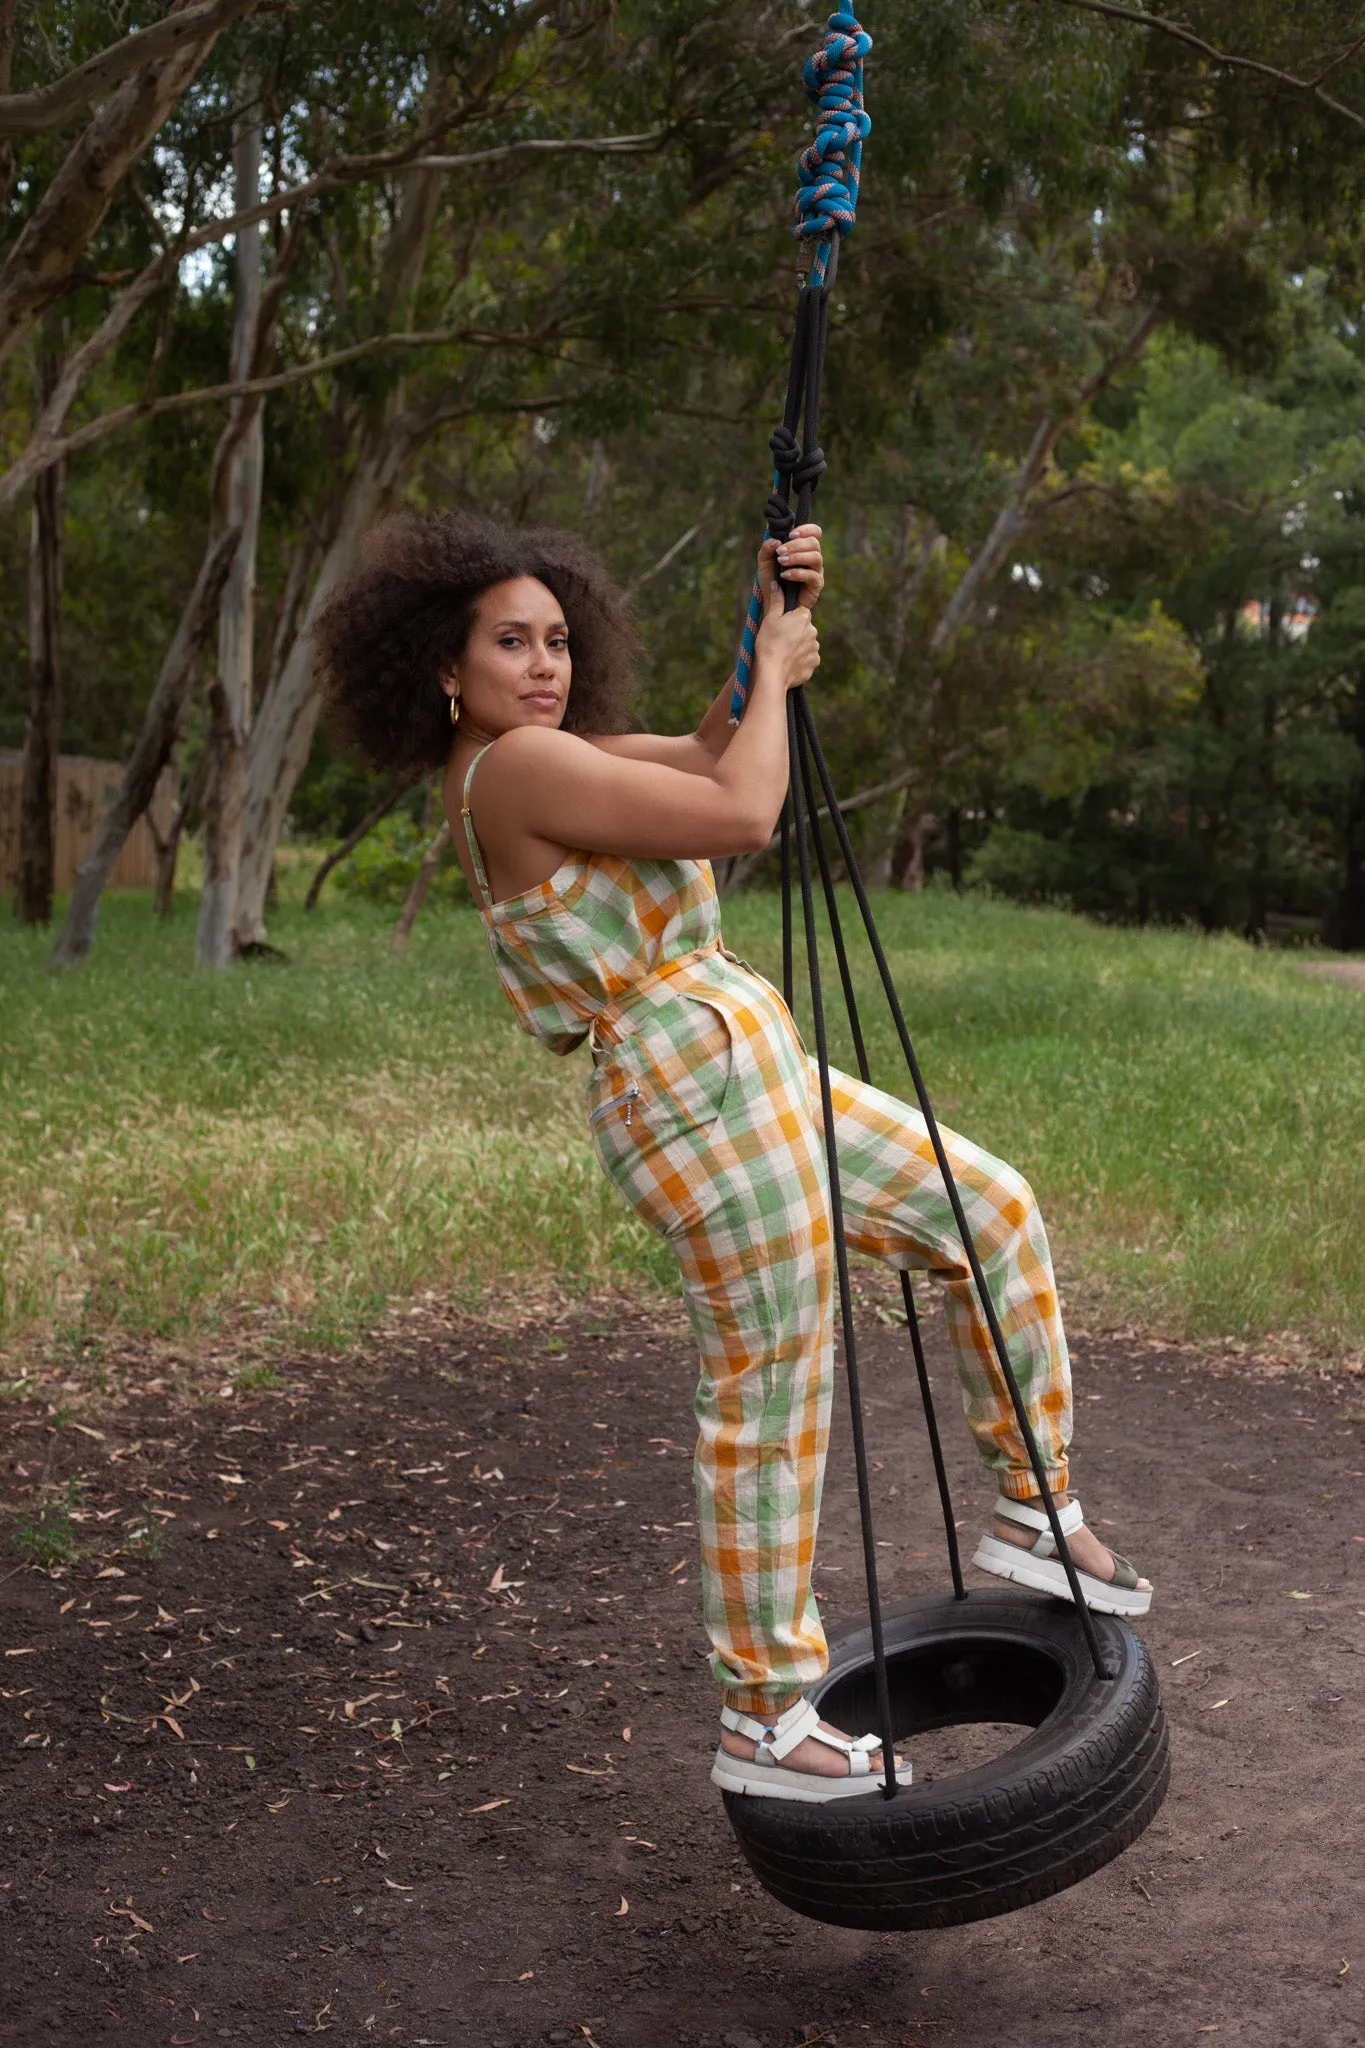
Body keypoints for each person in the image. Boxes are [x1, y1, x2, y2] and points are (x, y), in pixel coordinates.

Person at [315, 510, 1152, 1806]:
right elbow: (743, 806)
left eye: (554, 640)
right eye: (506, 643)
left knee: (984, 1209)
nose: (543, 665)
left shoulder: (558, 750)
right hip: (688, 1091)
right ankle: (765, 1713)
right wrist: (775, 675)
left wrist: (762, 616)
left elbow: (709, 745)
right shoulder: (510, 775)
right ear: (443, 666)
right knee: (775, 1379)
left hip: (750, 1063)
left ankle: (1035, 1511)